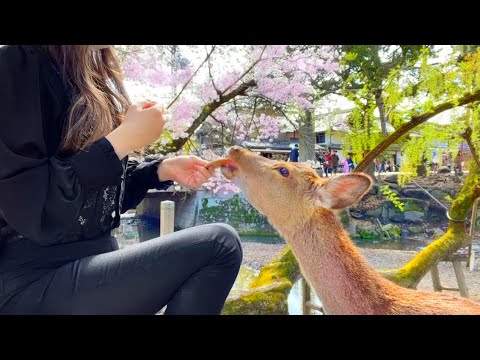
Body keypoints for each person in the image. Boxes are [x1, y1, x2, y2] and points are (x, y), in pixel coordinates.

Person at [0, 45, 242, 315]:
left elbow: (91, 202)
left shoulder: (88, 73)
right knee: (219, 246)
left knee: (220, 248)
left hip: (91, 264)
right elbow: (34, 207)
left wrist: (159, 170)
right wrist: (122, 140)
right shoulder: (16, 63)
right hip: (31, 279)